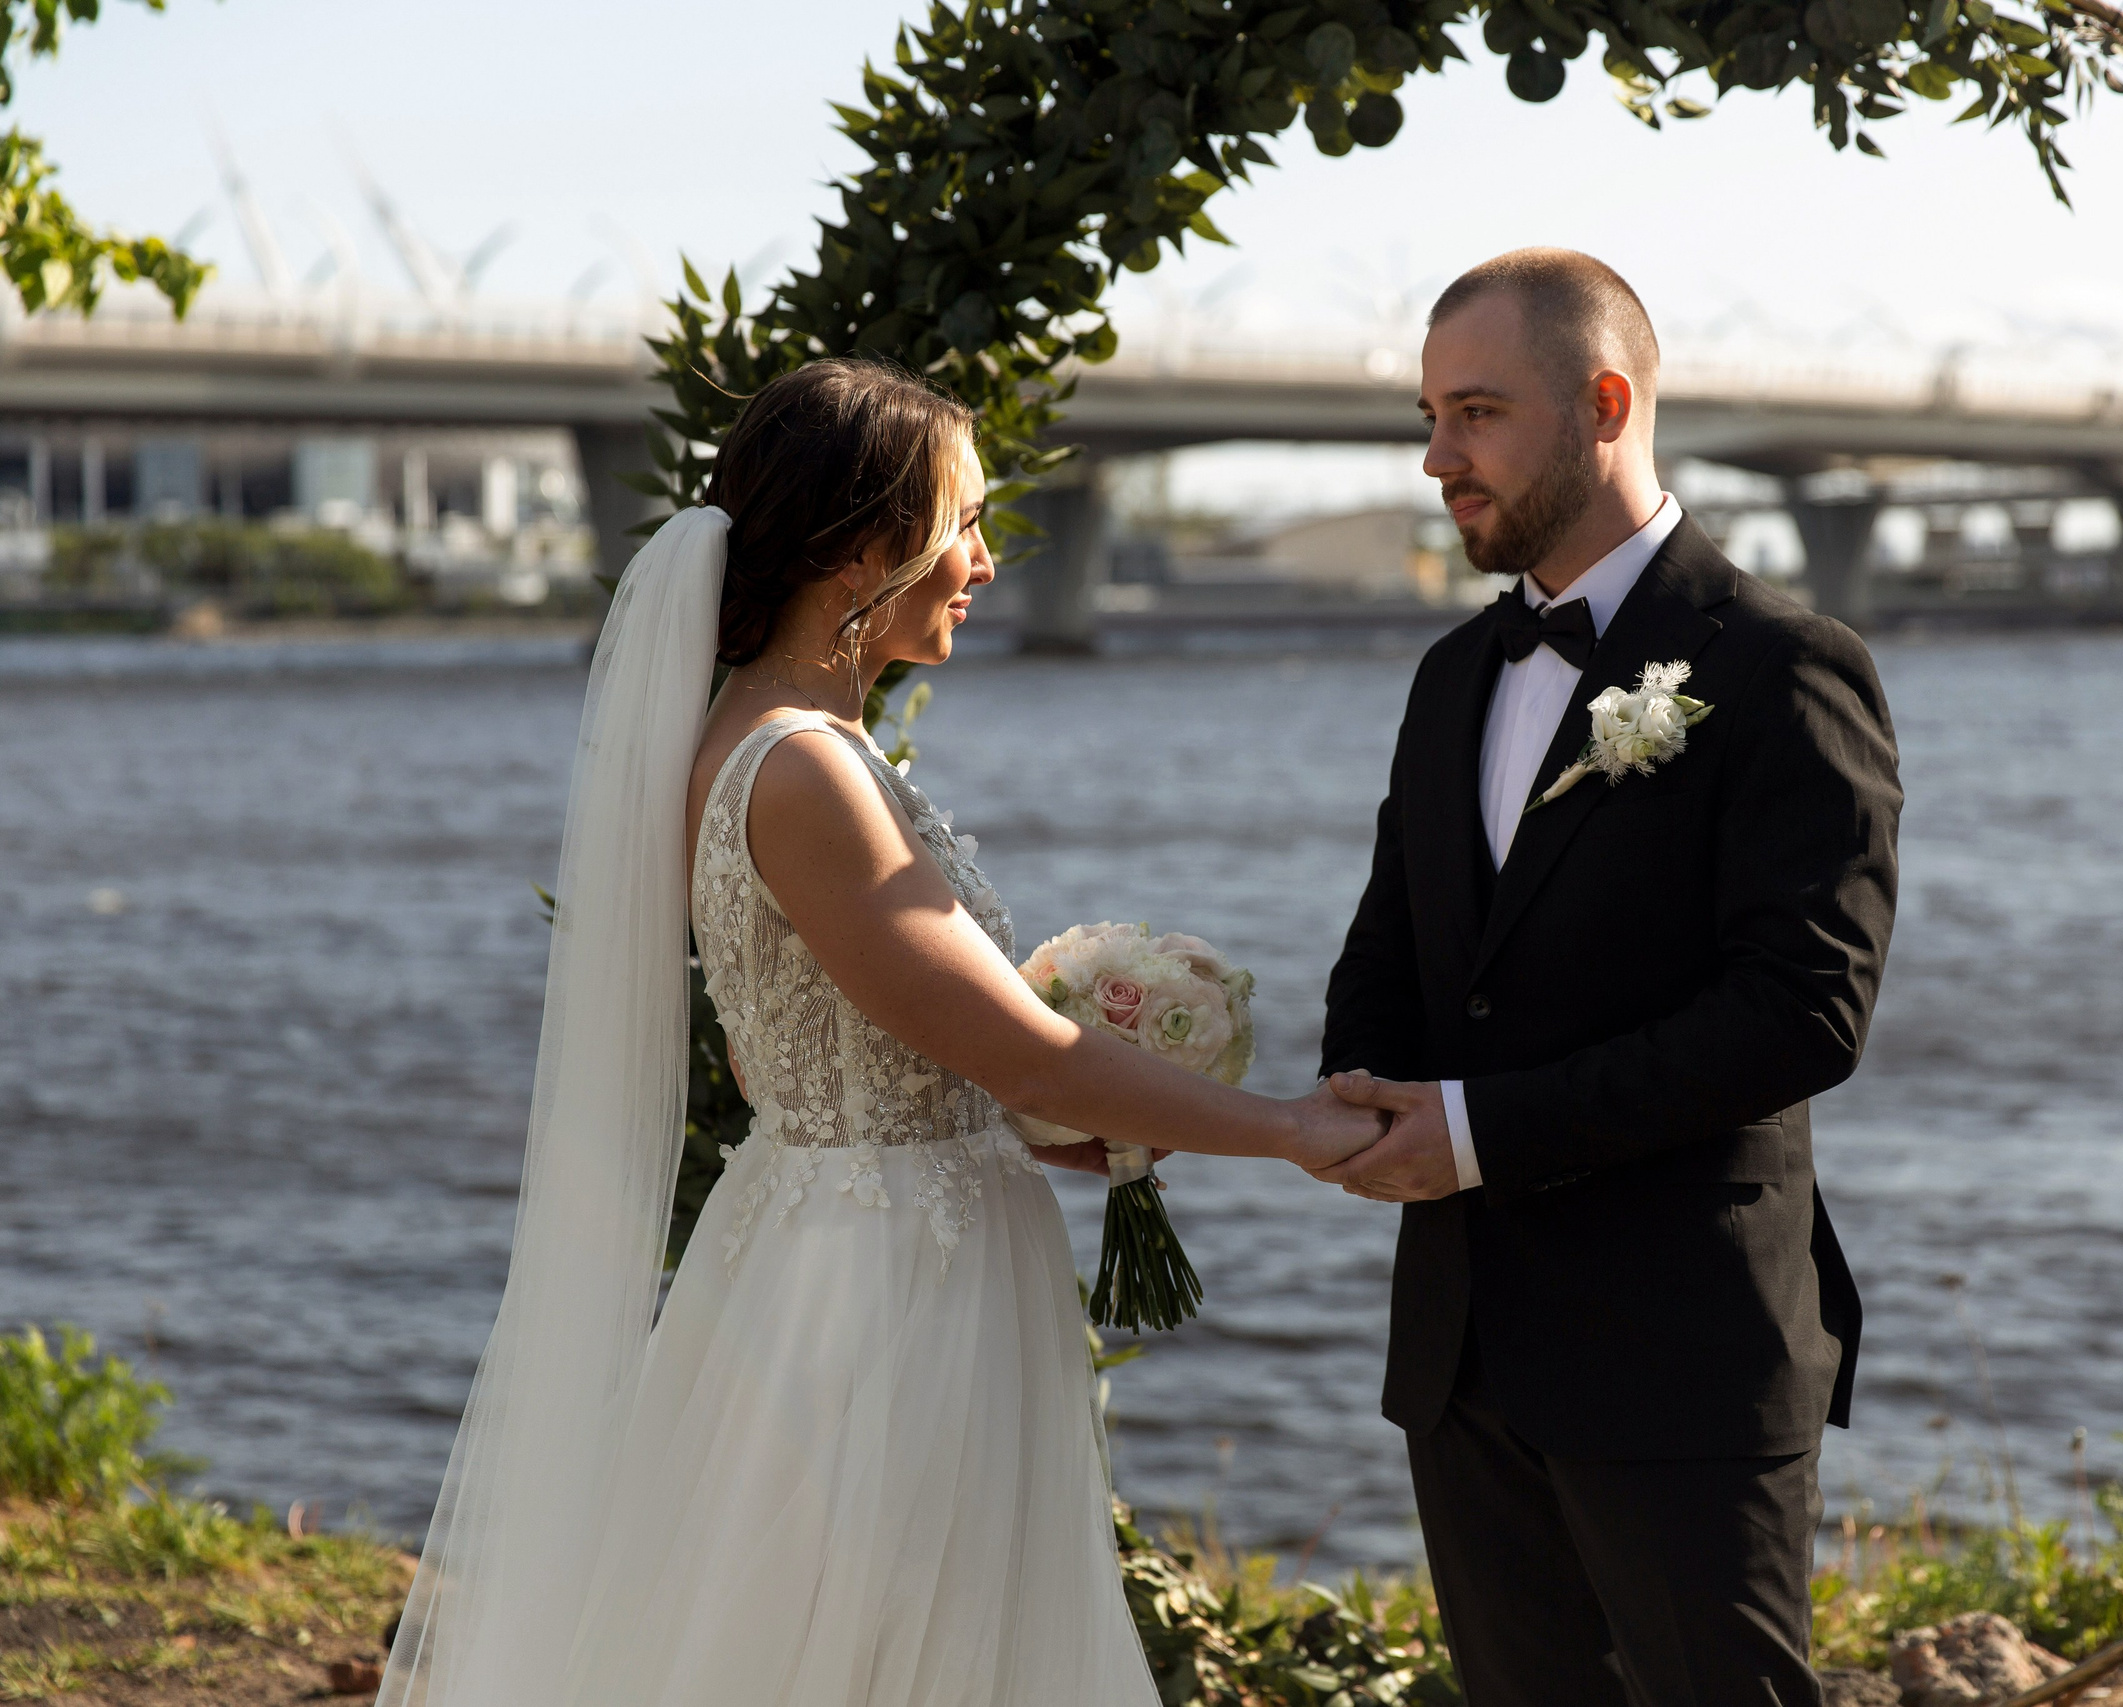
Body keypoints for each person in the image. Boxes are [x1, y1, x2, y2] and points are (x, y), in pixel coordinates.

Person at [378, 357, 1382, 1707]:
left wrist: (1020, 1127)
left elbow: (781, 1052)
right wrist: (1293, 1132)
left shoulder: (752, 740)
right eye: (963, 522)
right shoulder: (805, 768)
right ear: (863, 550)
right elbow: (1022, 1050)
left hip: (839, 1232)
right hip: (889, 1278)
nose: (984, 560)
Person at [1318, 249, 1902, 1707]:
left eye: (1476, 414)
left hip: (1679, 1349)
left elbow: (1804, 1012)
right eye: (1430, 418)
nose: (1438, 458)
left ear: (1605, 405)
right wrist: (1352, 1103)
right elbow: (1395, 945)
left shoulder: (1782, 664)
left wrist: (1476, 1133)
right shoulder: (1451, 675)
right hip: (1463, 1350)